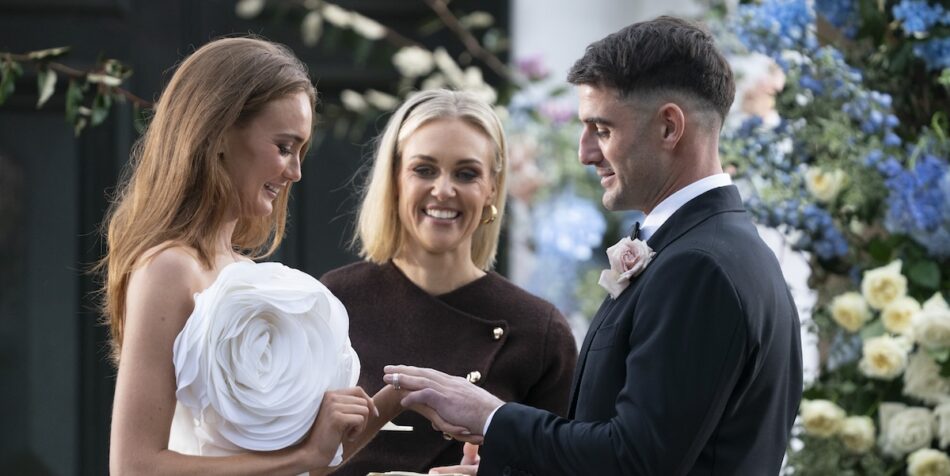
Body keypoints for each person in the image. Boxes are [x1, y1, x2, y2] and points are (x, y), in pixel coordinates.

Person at [385, 16, 804, 475]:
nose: (584, 152)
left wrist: (491, 415)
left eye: (602, 129)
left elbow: (634, 462)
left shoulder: (697, 267)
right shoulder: (721, 248)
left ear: (669, 127)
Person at [100, 37, 402, 475]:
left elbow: (305, 464)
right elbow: (134, 466)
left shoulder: (243, 272)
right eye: (283, 147)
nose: (295, 172)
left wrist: (398, 399)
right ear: (219, 135)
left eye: (301, 152)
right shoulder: (169, 269)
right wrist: (303, 455)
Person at [320, 89, 577, 475]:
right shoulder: (330, 302)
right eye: (424, 169)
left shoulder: (539, 330)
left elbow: (569, 466)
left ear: (492, 186)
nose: (443, 189)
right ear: (395, 178)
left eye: (466, 173)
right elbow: (291, 460)